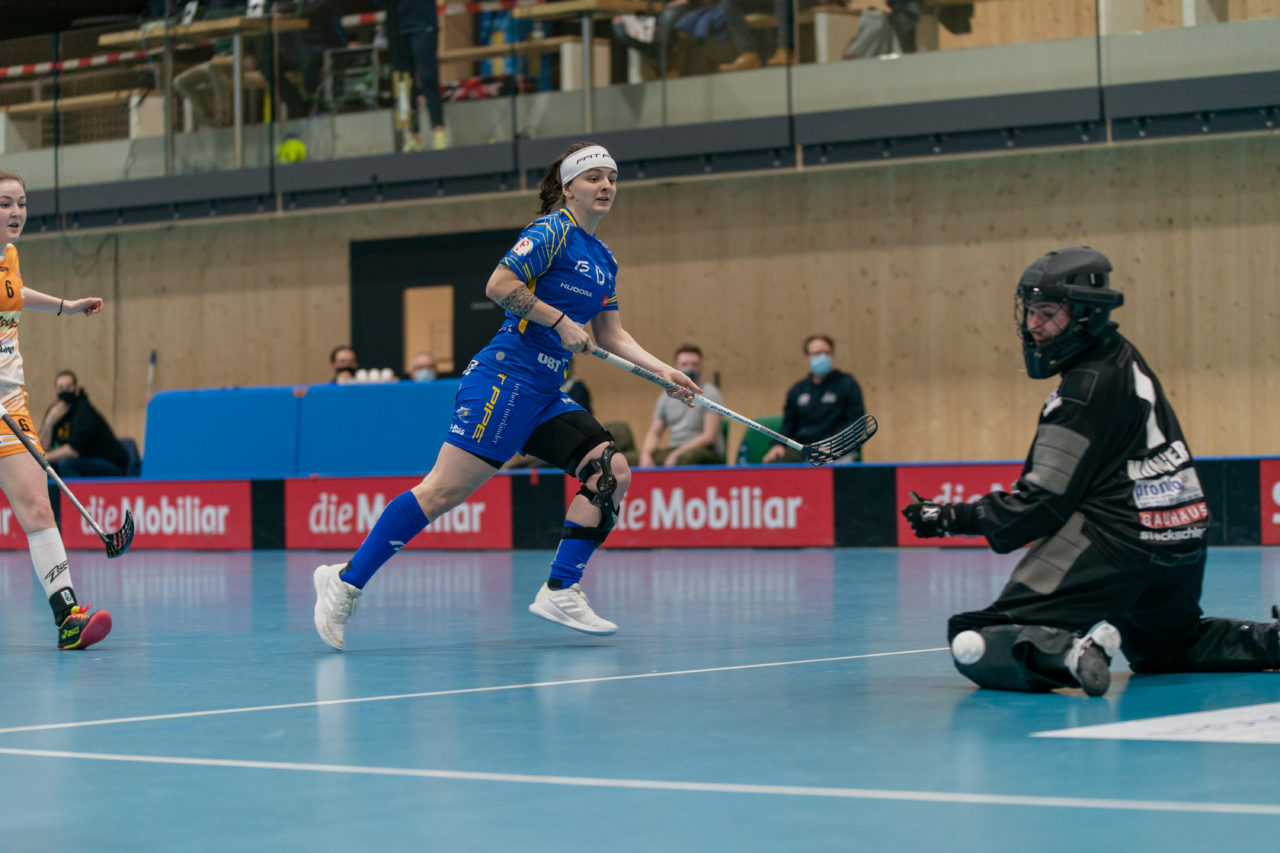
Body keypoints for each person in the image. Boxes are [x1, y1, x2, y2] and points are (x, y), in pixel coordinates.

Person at [312, 142, 701, 649]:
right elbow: (498, 284)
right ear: (569, 188)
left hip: (545, 392)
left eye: (611, 177)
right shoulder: (550, 231)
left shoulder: (604, 259)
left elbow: (611, 335)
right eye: (593, 178)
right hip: (505, 379)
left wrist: (665, 372)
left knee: (611, 472)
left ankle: (561, 589)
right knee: (441, 493)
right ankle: (345, 582)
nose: (606, 185)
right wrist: (558, 321)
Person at [902, 246, 1279, 697]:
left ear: (1085, 314)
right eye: (1030, 312)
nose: (1033, 325)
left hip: (1116, 542)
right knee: (1168, 650)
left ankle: (1068, 654)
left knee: (977, 639)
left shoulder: (1081, 390)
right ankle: (1272, 641)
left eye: (1047, 313)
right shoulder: (1121, 353)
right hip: (1184, 538)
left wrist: (948, 518)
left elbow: (1041, 503)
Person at [0, 169, 112, 650]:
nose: (16, 212)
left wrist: (67, 305)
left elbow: (14, 294)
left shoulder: (9, 255)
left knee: (39, 507)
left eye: (21, 203)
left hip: (9, 403)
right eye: (5, 204)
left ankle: (68, 618)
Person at [762, 334, 864, 463]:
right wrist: (778, 444)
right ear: (806, 358)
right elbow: (788, 424)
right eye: (817, 353)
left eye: (827, 353)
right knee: (774, 463)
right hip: (803, 449)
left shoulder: (847, 384)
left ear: (833, 356)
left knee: (830, 464)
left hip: (837, 449)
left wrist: (834, 445)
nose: (823, 357)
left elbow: (856, 423)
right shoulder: (797, 390)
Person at [638, 344, 725, 467]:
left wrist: (678, 453)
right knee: (636, 459)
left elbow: (709, 436)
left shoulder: (710, 393)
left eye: (695, 364)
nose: (690, 368)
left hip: (702, 452)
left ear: (701, 367)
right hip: (674, 449)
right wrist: (646, 454)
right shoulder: (665, 397)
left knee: (686, 458)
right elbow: (655, 432)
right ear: (676, 368)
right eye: (685, 364)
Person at [37, 370, 129, 478]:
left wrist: (44, 458)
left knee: (66, 463)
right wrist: (49, 422)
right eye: (61, 388)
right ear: (55, 390)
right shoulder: (55, 411)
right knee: (47, 467)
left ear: (76, 389)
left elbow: (72, 451)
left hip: (110, 463)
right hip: (83, 461)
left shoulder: (83, 409)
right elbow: (43, 449)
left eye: (68, 387)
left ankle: (71, 490)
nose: (64, 391)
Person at [384, 0, 448, 151]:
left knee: (428, 77)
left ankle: (438, 130)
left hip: (423, 23)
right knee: (403, 84)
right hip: (397, 27)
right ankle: (413, 135)